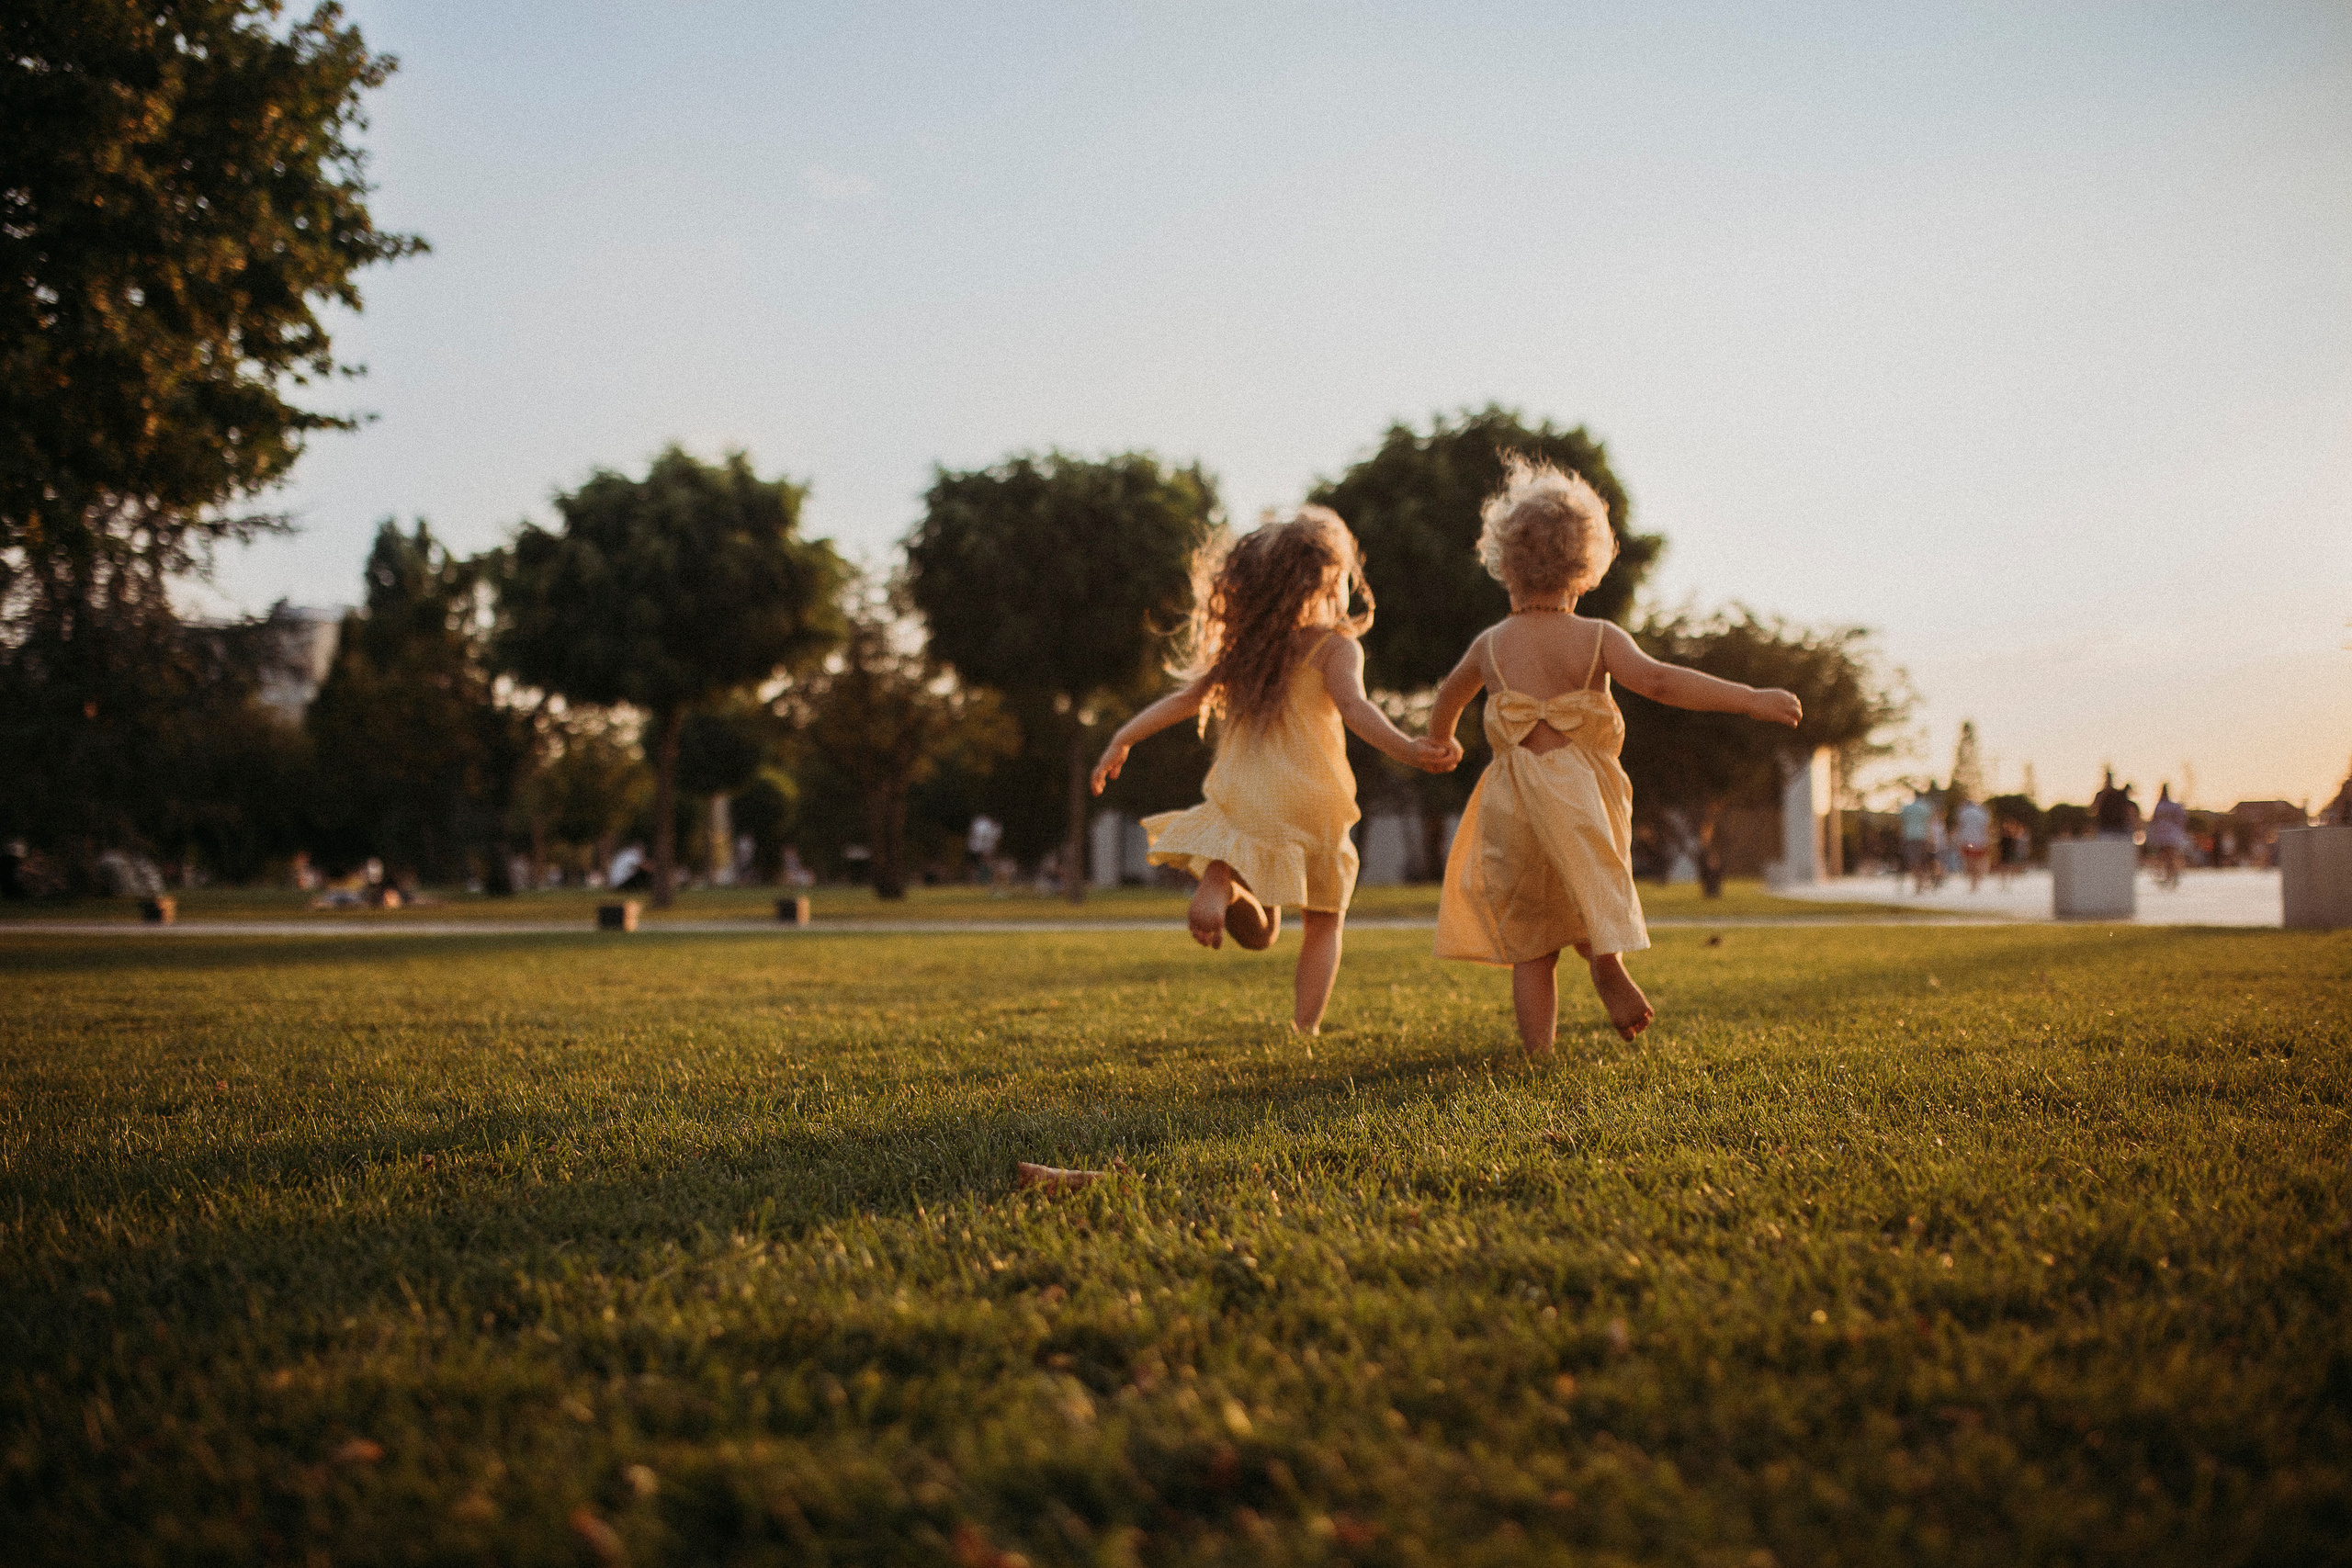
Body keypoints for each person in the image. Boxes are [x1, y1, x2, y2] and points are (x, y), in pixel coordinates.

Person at [1421, 456, 1802, 1055]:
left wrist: (1440, 741)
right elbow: (1662, 682)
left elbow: (1448, 700)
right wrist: (1747, 698)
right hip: (1582, 795)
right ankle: (1605, 959)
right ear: (1586, 565)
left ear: (1503, 562)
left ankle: (1538, 1053)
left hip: (1512, 802)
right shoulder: (1598, 637)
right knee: (1596, 878)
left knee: (1533, 942)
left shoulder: (1490, 644)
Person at [1090, 505, 1452, 1034]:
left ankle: (1225, 879)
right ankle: (1303, 1030)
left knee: (1262, 935)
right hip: (1311, 800)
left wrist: (1124, 736)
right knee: (1324, 922)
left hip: (1247, 799)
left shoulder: (1248, 650)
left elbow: (1187, 698)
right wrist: (1408, 748)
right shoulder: (1336, 648)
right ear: (1330, 582)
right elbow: (1355, 710)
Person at [2145, 783, 2188, 888]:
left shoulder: (2165, 806)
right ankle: (2170, 875)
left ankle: (2171, 875)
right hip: (2164, 834)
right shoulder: (2164, 805)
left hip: (2168, 834)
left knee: (2168, 855)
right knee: (2166, 855)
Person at [1898, 789, 1937, 893]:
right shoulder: (1926, 808)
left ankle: (1919, 883)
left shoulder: (1907, 808)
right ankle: (1920, 882)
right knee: (1921, 861)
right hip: (1922, 837)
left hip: (1909, 837)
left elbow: (1902, 823)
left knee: (1913, 861)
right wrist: (1931, 838)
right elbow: (1929, 824)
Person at [1955, 795, 1991, 891]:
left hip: (1967, 840)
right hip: (1980, 841)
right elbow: (1986, 827)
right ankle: (1976, 883)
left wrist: (1958, 840)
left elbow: (1960, 826)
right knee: (1978, 862)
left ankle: (1972, 883)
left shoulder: (1963, 812)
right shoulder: (1983, 812)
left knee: (1969, 862)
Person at [2092, 770, 2136, 840]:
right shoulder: (2100, 795)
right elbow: (2093, 810)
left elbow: (2127, 809)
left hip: (2120, 829)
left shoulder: (2119, 794)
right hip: (2105, 829)